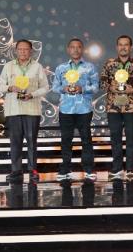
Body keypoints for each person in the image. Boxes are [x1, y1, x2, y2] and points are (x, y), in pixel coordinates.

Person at [0, 39, 50, 183]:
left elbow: (45, 87)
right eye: (20, 49)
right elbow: (1, 85)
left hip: (32, 109)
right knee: (15, 141)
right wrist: (10, 88)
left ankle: (32, 170)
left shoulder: (37, 67)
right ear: (16, 51)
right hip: (13, 110)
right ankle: (16, 171)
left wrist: (32, 94)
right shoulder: (8, 66)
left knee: (32, 141)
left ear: (31, 51)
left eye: (26, 49)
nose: (23, 52)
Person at [100, 35, 133, 180]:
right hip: (113, 107)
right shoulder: (109, 64)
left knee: (131, 138)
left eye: (126, 45)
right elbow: (102, 83)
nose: (123, 47)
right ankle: (117, 169)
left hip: (131, 107)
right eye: (120, 44)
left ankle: (131, 169)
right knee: (115, 138)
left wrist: (132, 89)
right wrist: (111, 87)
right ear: (117, 47)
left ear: (131, 47)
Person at [52, 38, 100, 182]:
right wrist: (64, 88)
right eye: (72, 47)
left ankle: (89, 169)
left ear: (82, 49)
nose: (75, 49)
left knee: (86, 140)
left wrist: (82, 88)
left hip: (84, 109)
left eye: (78, 47)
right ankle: (65, 169)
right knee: (66, 140)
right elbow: (55, 87)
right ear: (68, 50)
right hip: (66, 109)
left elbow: (96, 87)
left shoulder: (90, 67)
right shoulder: (61, 68)